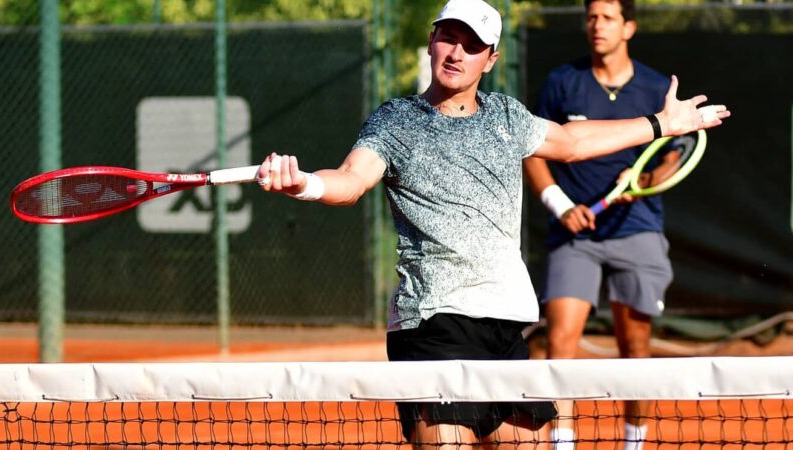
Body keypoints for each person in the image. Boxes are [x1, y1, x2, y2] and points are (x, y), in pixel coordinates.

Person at [257, 0, 728, 447]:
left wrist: (661, 124)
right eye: (448, 36)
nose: (457, 51)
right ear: (431, 42)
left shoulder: (507, 116)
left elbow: (572, 142)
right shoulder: (395, 121)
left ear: (491, 58)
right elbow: (350, 179)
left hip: (506, 330)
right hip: (432, 327)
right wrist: (305, 185)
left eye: (472, 44)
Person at [523, 1, 690, 450]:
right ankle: (562, 443)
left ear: (629, 27)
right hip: (575, 236)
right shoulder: (562, 82)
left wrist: (646, 180)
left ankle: (634, 442)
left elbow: (674, 152)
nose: (597, 25)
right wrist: (560, 205)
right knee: (560, 344)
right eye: (592, 17)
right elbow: (533, 152)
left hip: (638, 230)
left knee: (635, 349)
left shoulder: (656, 87)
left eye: (608, 17)